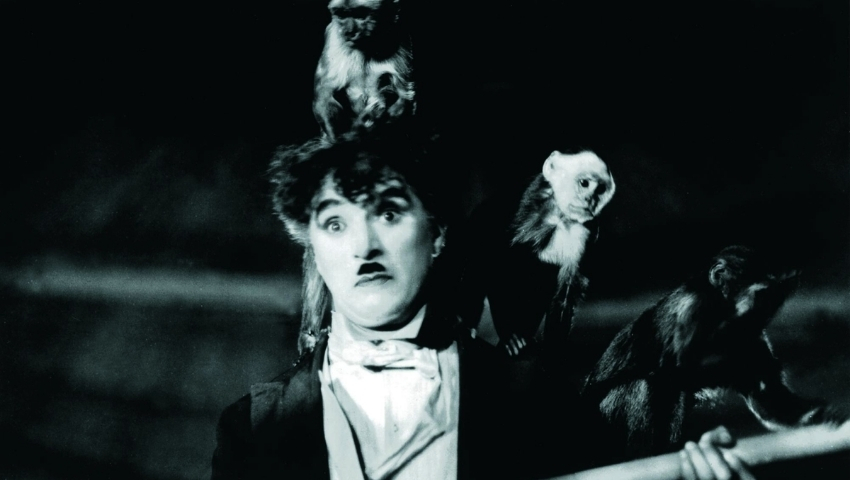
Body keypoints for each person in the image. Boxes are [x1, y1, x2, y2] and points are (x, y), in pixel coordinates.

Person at [210, 132, 752, 479]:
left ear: (438, 234)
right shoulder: (250, 428)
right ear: (312, 245)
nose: (363, 245)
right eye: (335, 223)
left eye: (389, 213)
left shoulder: (539, 407)